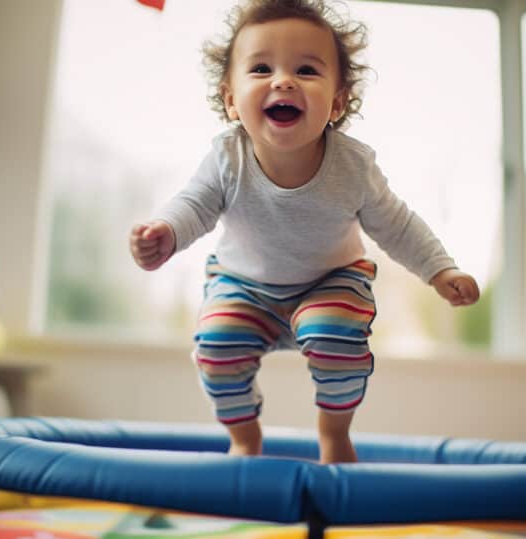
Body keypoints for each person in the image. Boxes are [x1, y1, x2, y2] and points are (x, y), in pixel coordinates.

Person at [128, 0, 479, 464]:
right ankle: (245, 437)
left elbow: (397, 224)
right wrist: (167, 233)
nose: (283, 80)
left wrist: (440, 269)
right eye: (260, 68)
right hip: (242, 284)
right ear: (231, 98)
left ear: (337, 101)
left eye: (307, 70)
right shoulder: (226, 157)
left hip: (330, 282)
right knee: (215, 345)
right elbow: (195, 203)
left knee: (336, 335)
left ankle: (334, 435)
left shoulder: (352, 167)